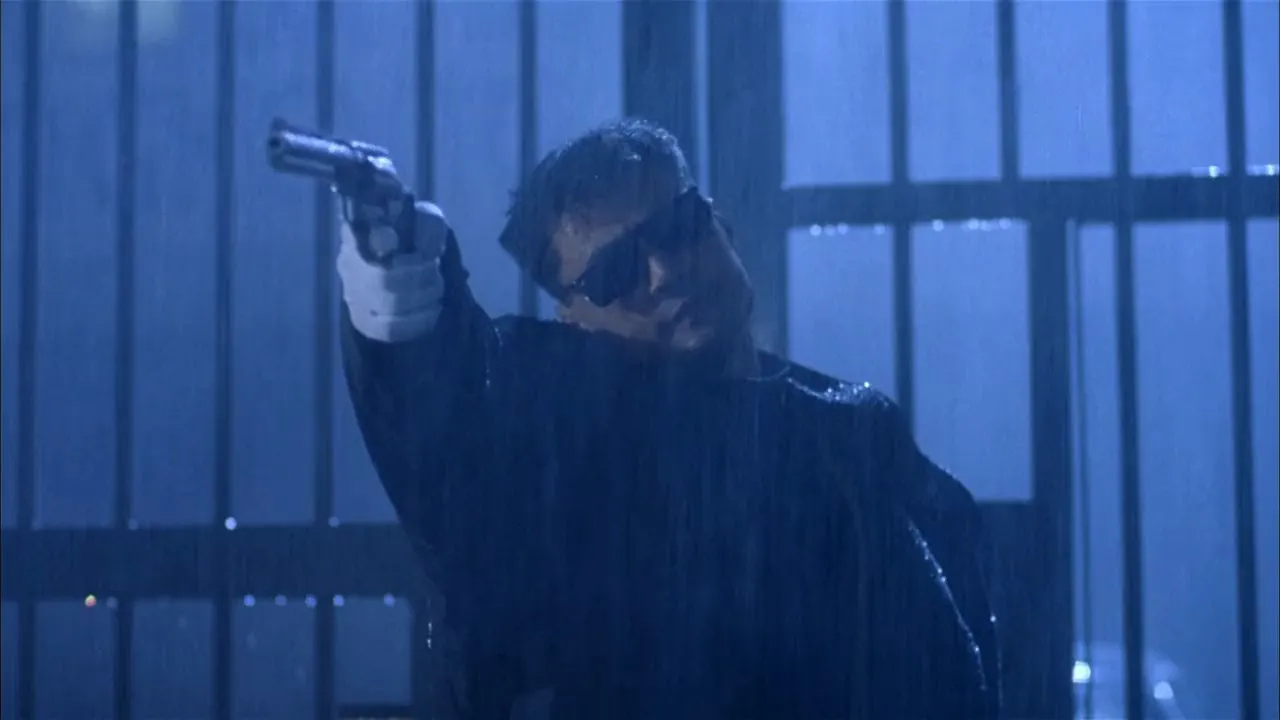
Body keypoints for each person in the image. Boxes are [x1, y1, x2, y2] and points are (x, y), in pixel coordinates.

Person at [337, 118, 1002, 719]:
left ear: (719, 225)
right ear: (573, 318)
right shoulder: (564, 435)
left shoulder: (855, 429)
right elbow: (454, 403)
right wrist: (403, 301)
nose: (661, 273)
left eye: (678, 227)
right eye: (617, 271)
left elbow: (955, 644)